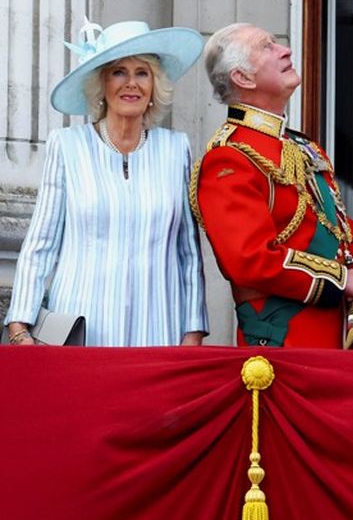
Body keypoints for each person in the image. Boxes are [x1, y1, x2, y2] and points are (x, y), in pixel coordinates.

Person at [5, 20, 208, 346]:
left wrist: (193, 333)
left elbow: (188, 252)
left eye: (142, 72)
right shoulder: (67, 146)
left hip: (158, 332)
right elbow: (41, 244)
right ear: (101, 83)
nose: (131, 83)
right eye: (118, 72)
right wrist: (20, 327)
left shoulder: (175, 150)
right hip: (81, 331)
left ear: (155, 85)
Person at [194, 23, 353, 348]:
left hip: (335, 341)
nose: (286, 50)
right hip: (281, 346)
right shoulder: (228, 158)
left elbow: (339, 228)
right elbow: (250, 260)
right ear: (243, 78)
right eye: (266, 47)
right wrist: (343, 280)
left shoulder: (302, 147)